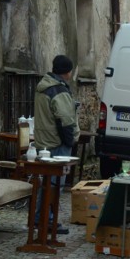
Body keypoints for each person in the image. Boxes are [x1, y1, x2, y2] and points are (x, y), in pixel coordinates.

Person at [34, 55, 80, 234]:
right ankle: (48, 221)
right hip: (57, 143)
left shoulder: (43, 86)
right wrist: (70, 141)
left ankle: (40, 219)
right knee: (55, 185)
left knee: (46, 184)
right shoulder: (58, 90)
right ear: (68, 72)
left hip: (44, 141)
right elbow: (65, 121)